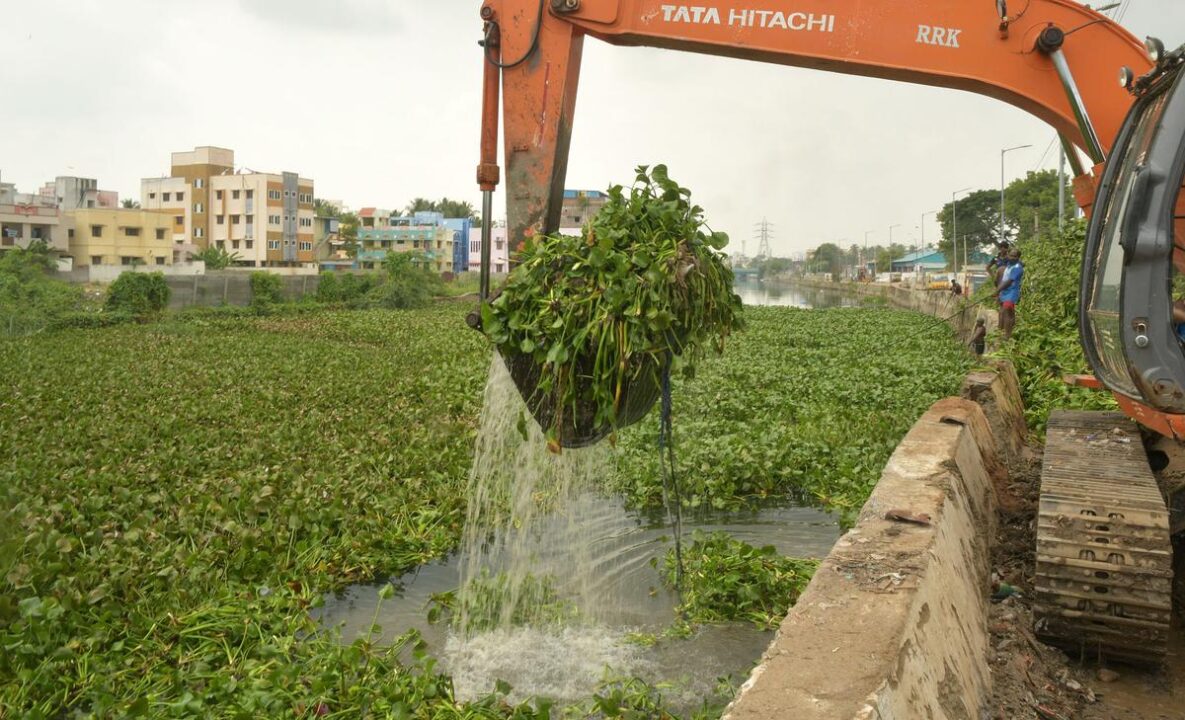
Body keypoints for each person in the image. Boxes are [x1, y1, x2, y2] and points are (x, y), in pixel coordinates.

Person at [994, 248, 1023, 340]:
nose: (1012, 258)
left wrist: (997, 290)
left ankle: (1007, 335)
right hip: (1005, 292)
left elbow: (1009, 281)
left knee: (1007, 311)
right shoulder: (1009, 265)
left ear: (1018, 257)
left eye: (1015, 256)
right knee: (1007, 313)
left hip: (1012, 293)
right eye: (1010, 255)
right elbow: (1004, 280)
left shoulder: (1017, 268)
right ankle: (1008, 332)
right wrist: (1000, 291)